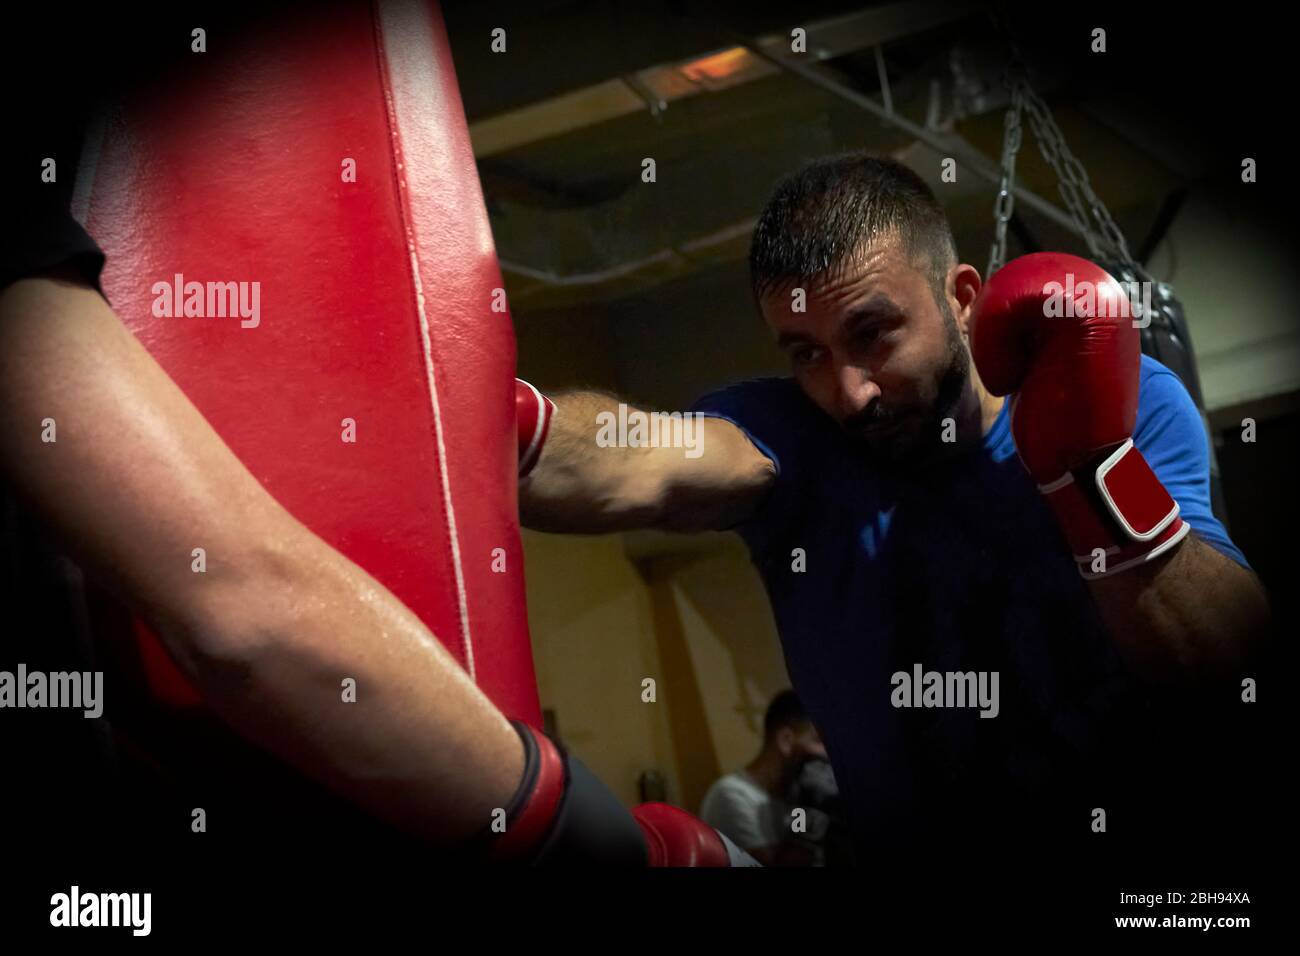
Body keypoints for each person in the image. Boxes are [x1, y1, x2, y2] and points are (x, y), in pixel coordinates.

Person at [518, 153, 1272, 862]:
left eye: (872, 334)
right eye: (805, 352)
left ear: (962, 298)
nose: (850, 393)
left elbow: (1227, 658)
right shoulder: (794, 439)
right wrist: (488, 425)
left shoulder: (1128, 400)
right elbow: (633, 462)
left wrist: (1089, 470)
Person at [698, 690, 828, 866]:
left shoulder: (791, 797)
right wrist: (809, 808)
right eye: (819, 741)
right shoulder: (732, 796)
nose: (826, 754)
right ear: (786, 740)